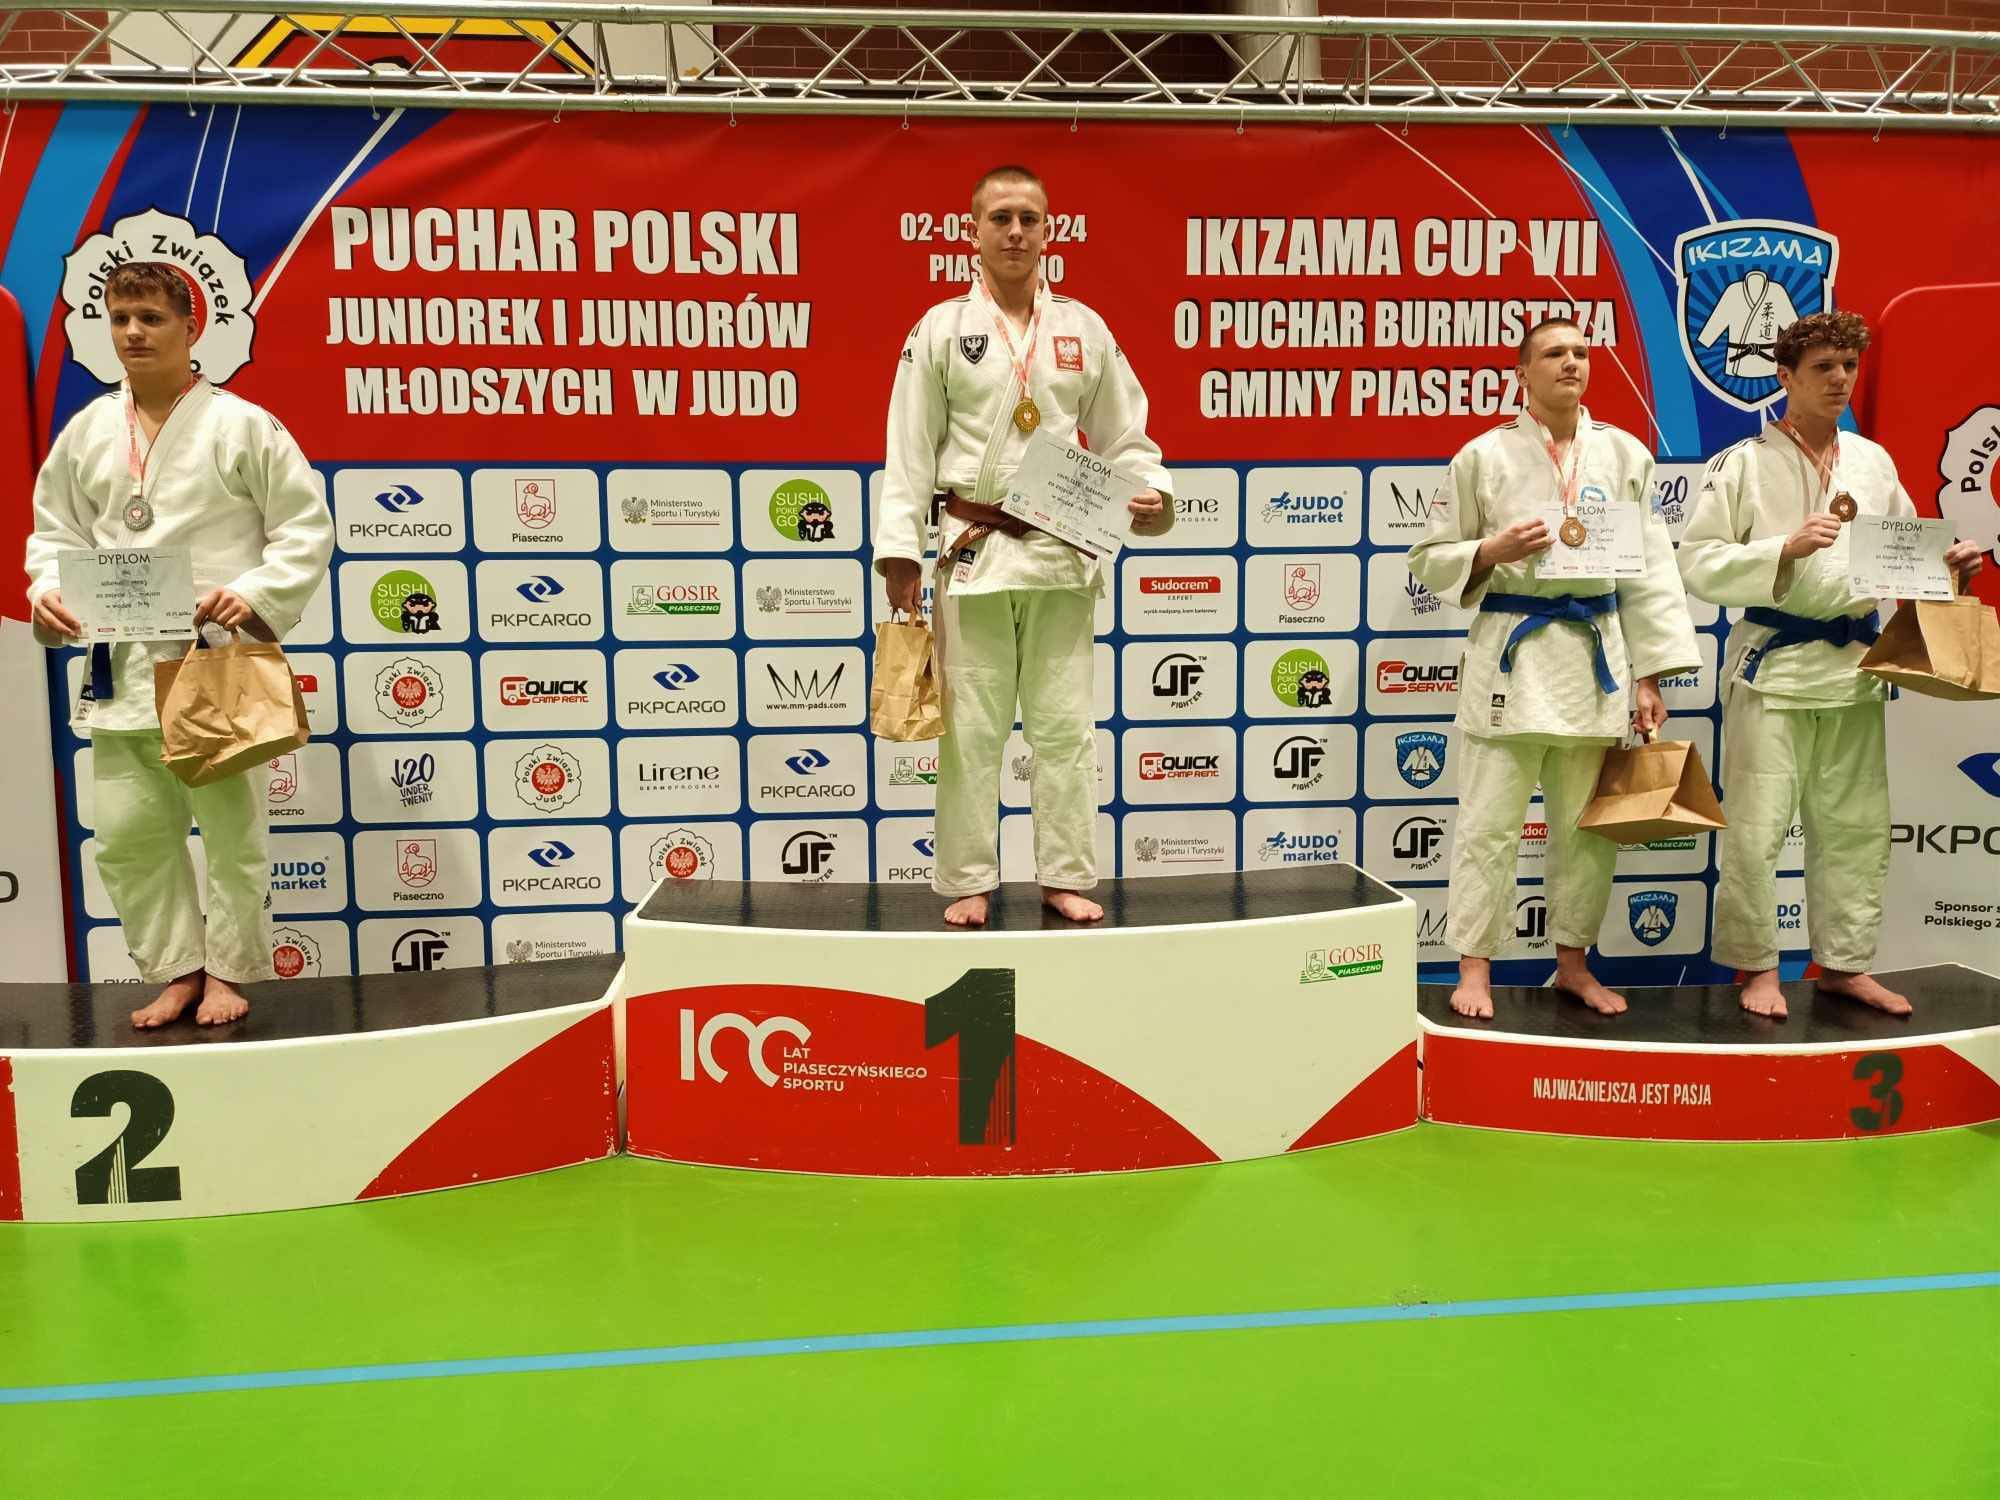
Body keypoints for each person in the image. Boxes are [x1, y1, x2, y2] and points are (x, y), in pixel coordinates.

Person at [25, 262, 333, 1028]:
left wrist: (255, 593)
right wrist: (47, 590)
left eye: (151, 318)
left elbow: (304, 527)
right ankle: (178, 970)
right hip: (118, 662)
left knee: (230, 833)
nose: (133, 332)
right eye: (120, 318)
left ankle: (228, 971)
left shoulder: (241, 425)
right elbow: (54, 533)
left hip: (213, 653)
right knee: (128, 834)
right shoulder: (88, 431)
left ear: (191, 328)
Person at [876, 165, 1173, 927]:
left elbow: (1126, 435)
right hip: (973, 550)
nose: (1015, 232)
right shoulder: (941, 328)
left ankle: (1064, 874)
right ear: (971, 231)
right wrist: (900, 551)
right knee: (971, 730)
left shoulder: (1083, 328)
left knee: (1065, 729)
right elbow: (909, 448)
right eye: (1001, 217)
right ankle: (968, 878)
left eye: (1029, 219)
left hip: (1061, 551)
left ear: (1050, 231)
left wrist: (1151, 493)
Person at [1678, 310, 1983, 1019]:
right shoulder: (1742, 464)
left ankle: (1845, 965)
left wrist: (1947, 570)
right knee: (1757, 829)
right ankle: (1757, 968)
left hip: (1853, 667)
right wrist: (1781, 549)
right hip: (1774, 670)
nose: (1840, 379)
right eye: (1823, 368)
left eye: (1849, 366)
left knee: (1855, 828)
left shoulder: (1872, 463)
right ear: (1785, 377)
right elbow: (1697, 562)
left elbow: (1902, 557)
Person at [1408, 317, 1698, 1019]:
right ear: (1522, 373)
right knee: (1488, 827)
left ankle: (1573, 964)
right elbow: (1429, 557)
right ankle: (1475, 967)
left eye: (1580, 352)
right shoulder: (1483, 456)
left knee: (1585, 832)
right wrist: (1491, 550)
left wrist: (1650, 675)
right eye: (1553, 353)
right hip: (1512, 658)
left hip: (1594, 660)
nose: (1571, 363)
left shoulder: (1624, 454)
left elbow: (1652, 572)